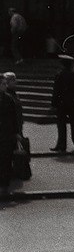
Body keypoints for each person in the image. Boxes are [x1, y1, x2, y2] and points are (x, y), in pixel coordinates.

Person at [51, 55, 74, 153]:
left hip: (61, 103)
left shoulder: (59, 75)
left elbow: (56, 91)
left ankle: (61, 145)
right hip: (73, 103)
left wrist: (54, 103)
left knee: (61, 125)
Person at [1, 72, 23, 200]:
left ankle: (4, 186)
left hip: (6, 135)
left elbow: (14, 118)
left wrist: (16, 133)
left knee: (6, 161)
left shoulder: (8, 98)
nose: (5, 86)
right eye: (3, 84)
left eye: (5, 83)